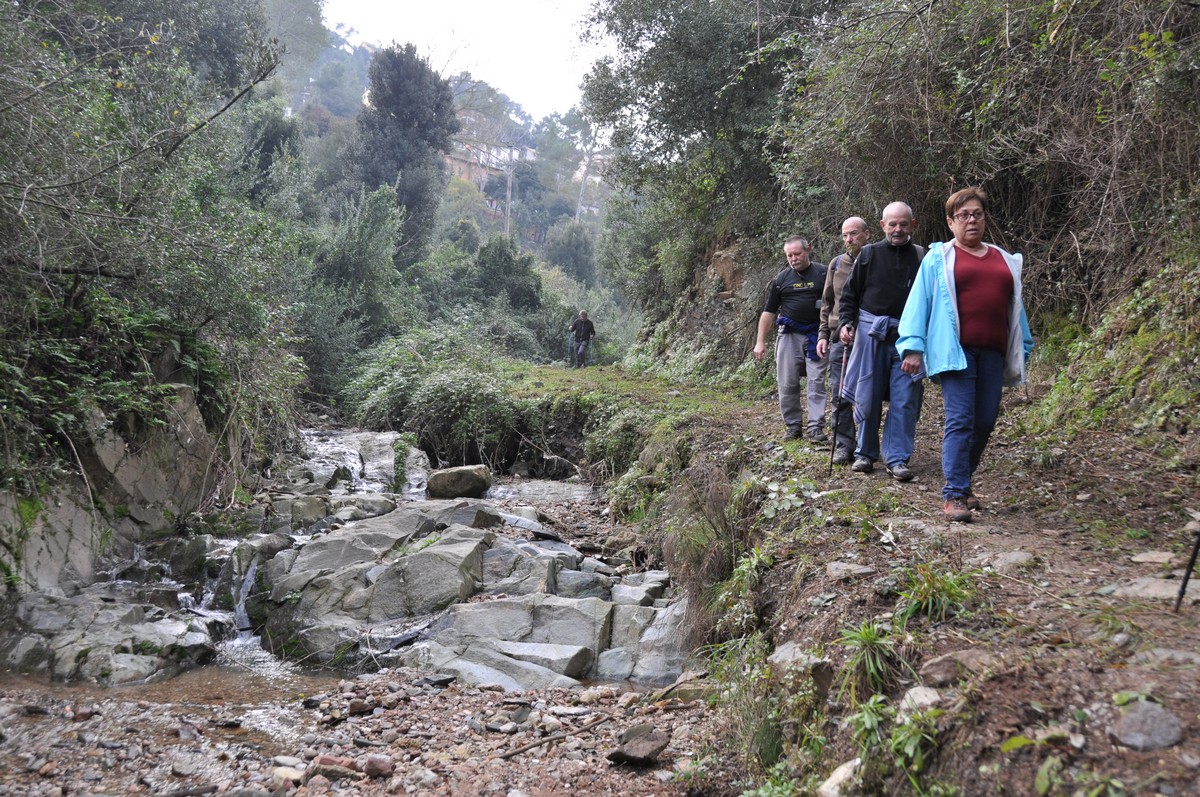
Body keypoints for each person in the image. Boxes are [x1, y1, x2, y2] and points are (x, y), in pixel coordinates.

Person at [897, 187, 1034, 522]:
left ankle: (963, 479)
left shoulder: (1004, 259)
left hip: (994, 352)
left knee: (984, 421)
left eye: (977, 214)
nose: (971, 220)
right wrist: (913, 346)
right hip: (954, 350)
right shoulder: (938, 258)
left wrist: (1024, 347)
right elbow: (919, 303)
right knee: (960, 420)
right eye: (963, 215)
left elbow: (1016, 309)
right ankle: (955, 494)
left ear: (984, 218)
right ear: (951, 222)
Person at [837, 202, 925, 481]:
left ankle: (897, 458)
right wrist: (846, 323)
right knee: (868, 394)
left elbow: (930, 301)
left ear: (912, 225)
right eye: (892, 224)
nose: (897, 229)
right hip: (870, 336)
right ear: (882, 225)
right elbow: (850, 294)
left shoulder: (921, 256)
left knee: (905, 399)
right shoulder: (869, 254)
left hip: (907, 339)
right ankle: (865, 454)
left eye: (903, 224)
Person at [753, 236, 828, 441]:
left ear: (808, 250)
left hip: (817, 335)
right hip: (789, 334)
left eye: (797, 254)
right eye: (789, 255)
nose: (793, 259)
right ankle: (793, 426)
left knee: (816, 381)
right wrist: (760, 341)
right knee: (787, 382)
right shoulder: (781, 280)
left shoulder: (824, 273)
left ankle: (815, 427)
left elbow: (836, 302)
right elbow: (769, 311)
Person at [817, 217, 871, 465]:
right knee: (839, 394)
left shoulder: (876, 260)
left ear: (867, 234)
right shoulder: (837, 264)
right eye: (845, 235)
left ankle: (866, 447)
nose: (849, 239)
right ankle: (843, 445)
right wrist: (823, 335)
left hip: (870, 337)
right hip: (840, 338)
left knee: (868, 393)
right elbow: (827, 303)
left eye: (854, 234)